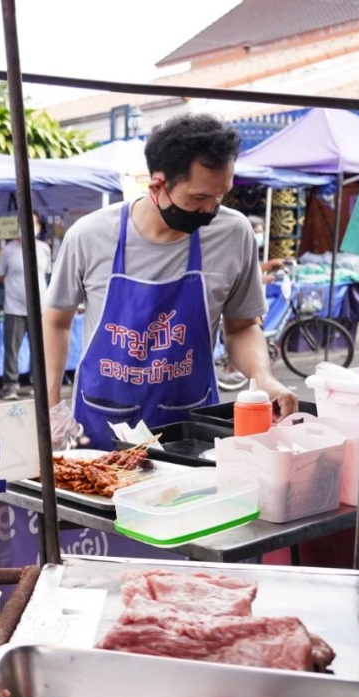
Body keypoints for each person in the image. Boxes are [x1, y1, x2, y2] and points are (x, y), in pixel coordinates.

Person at [42, 113, 297, 450]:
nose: (211, 210)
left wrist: (262, 377)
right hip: (101, 429)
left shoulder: (234, 235)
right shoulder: (89, 236)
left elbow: (242, 326)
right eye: (199, 198)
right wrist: (49, 408)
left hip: (192, 433)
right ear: (158, 186)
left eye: (221, 196)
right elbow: (56, 322)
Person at [0, 212, 51, 400]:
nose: (28, 226)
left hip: (40, 308)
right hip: (14, 308)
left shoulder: (44, 248)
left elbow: (47, 274)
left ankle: (38, 384)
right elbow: (0, 275)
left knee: (40, 349)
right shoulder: (8, 250)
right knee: (12, 350)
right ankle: (10, 387)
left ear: (39, 227)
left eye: (33, 222)